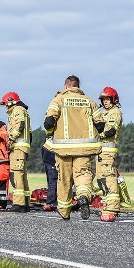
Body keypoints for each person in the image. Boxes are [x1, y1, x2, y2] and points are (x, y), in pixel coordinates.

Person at [43, 75, 102, 220]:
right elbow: (100, 125)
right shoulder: (89, 101)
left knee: (64, 178)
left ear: (66, 86)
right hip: (84, 148)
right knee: (82, 174)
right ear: (78, 86)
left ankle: (64, 210)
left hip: (63, 149)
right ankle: (83, 196)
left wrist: (50, 133)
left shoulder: (58, 99)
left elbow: (49, 122)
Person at [93, 86, 124, 221]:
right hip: (100, 151)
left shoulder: (115, 112)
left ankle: (112, 208)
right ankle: (107, 205)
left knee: (108, 177)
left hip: (108, 151)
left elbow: (111, 131)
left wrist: (97, 134)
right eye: (103, 99)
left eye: (107, 99)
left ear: (113, 99)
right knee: (101, 179)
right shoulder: (103, 112)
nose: (105, 102)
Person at [0, 91, 32, 212]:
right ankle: (26, 202)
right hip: (22, 148)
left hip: (18, 147)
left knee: (16, 174)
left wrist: (10, 139)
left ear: (10, 101)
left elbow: (20, 125)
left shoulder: (17, 110)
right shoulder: (23, 111)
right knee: (22, 175)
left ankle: (19, 204)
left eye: (5, 104)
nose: (5, 107)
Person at [41, 143, 58, 212]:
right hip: (52, 159)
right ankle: (51, 202)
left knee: (51, 181)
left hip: (47, 158)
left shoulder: (48, 139)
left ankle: (51, 201)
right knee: (53, 181)